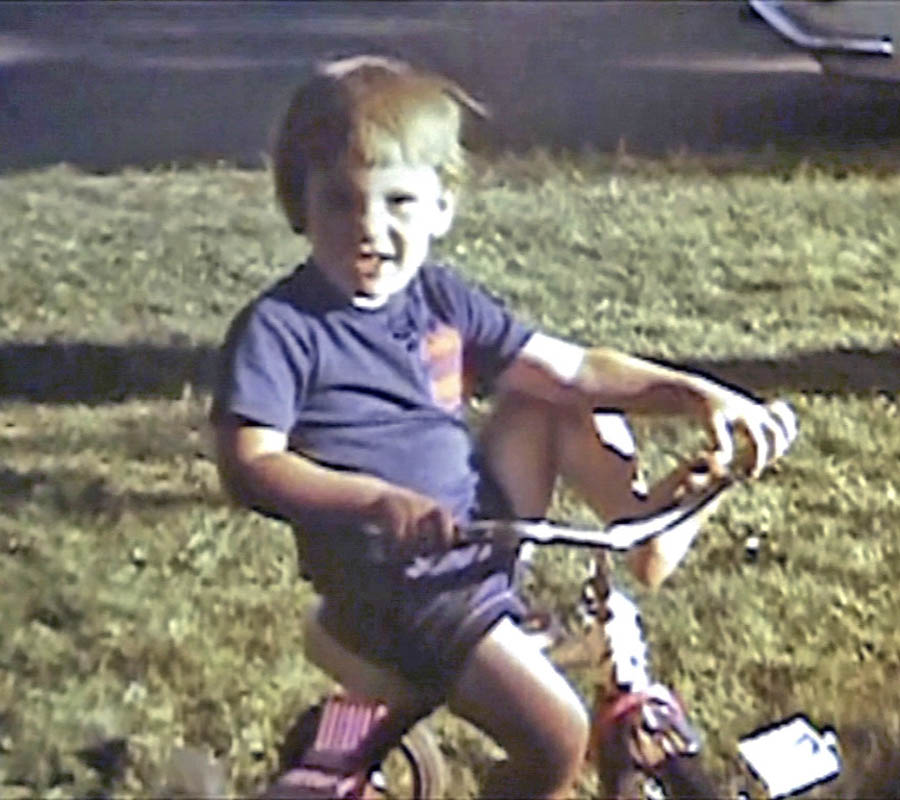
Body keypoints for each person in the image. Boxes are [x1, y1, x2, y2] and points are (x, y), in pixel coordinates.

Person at [211, 54, 794, 799]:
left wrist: (697, 394)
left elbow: (575, 369)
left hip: (473, 537)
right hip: (396, 582)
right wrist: (372, 501)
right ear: (299, 206)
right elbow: (250, 463)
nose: (371, 229)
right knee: (557, 737)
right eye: (340, 203)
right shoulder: (281, 328)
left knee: (555, 396)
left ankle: (644, 529)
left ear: (443, 206)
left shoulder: (438, 297)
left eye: (398, 202)